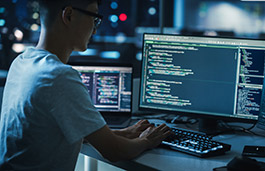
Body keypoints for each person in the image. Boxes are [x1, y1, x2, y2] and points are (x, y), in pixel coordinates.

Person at [0, 0, 171, 170]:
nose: (95, 29)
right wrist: (148, 140)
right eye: (94, 18)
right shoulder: (59, 76)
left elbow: (47, 132)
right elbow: (115, 151)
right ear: (68, 15)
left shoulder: (22, 62)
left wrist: (120, 133)